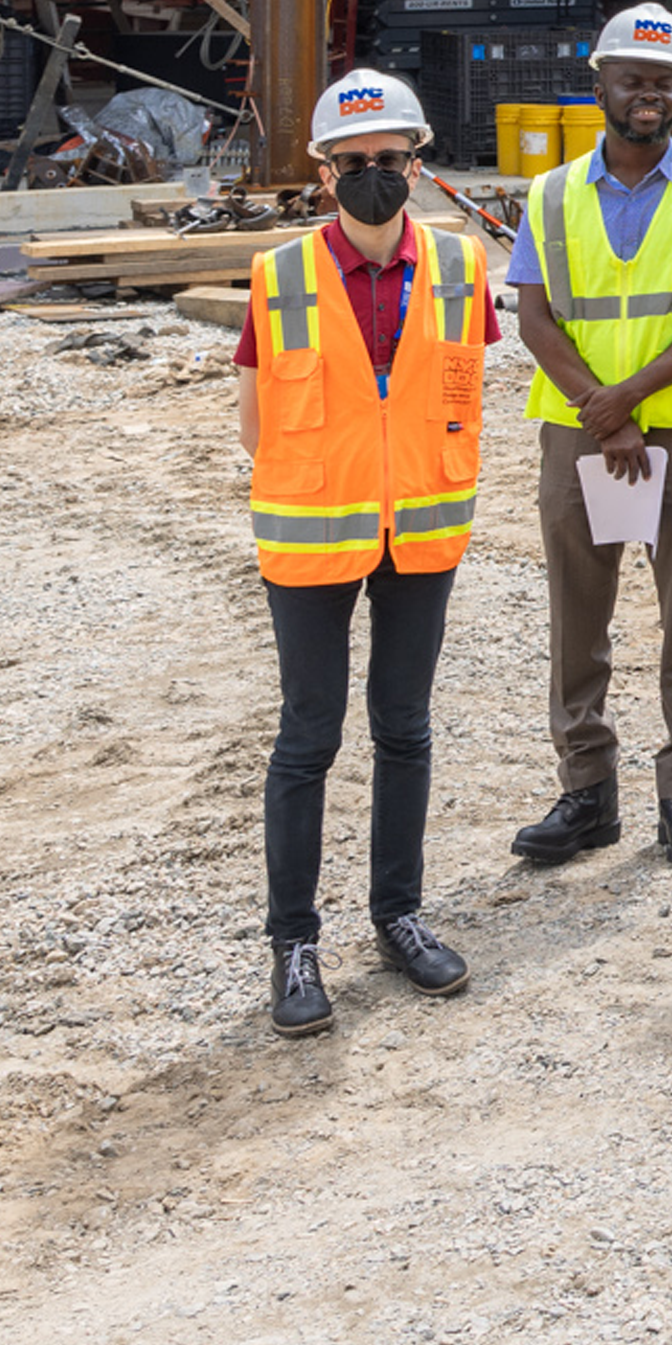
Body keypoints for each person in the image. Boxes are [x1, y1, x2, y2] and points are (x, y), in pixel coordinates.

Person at [237, 69, 490, 1037]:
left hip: (421, 530)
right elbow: (255, 422)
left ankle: (398, 916)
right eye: (354, 162)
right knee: (309, 736)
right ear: (324, 173)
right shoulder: (280, 275)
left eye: (389, 157)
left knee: (405, 728)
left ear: (418, 162)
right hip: (311, 534)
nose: (373, 174)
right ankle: (294, 943)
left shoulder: (461, 267)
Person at [508, 3, 672, 872]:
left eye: (663, 82)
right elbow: (533, 317)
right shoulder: (549, 195)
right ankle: (586, 790)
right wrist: (601, 410)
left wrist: (627, 403)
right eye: (632, 79)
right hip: (578, 433)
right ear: (601, 85)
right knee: (577, 614)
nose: (648, 94)